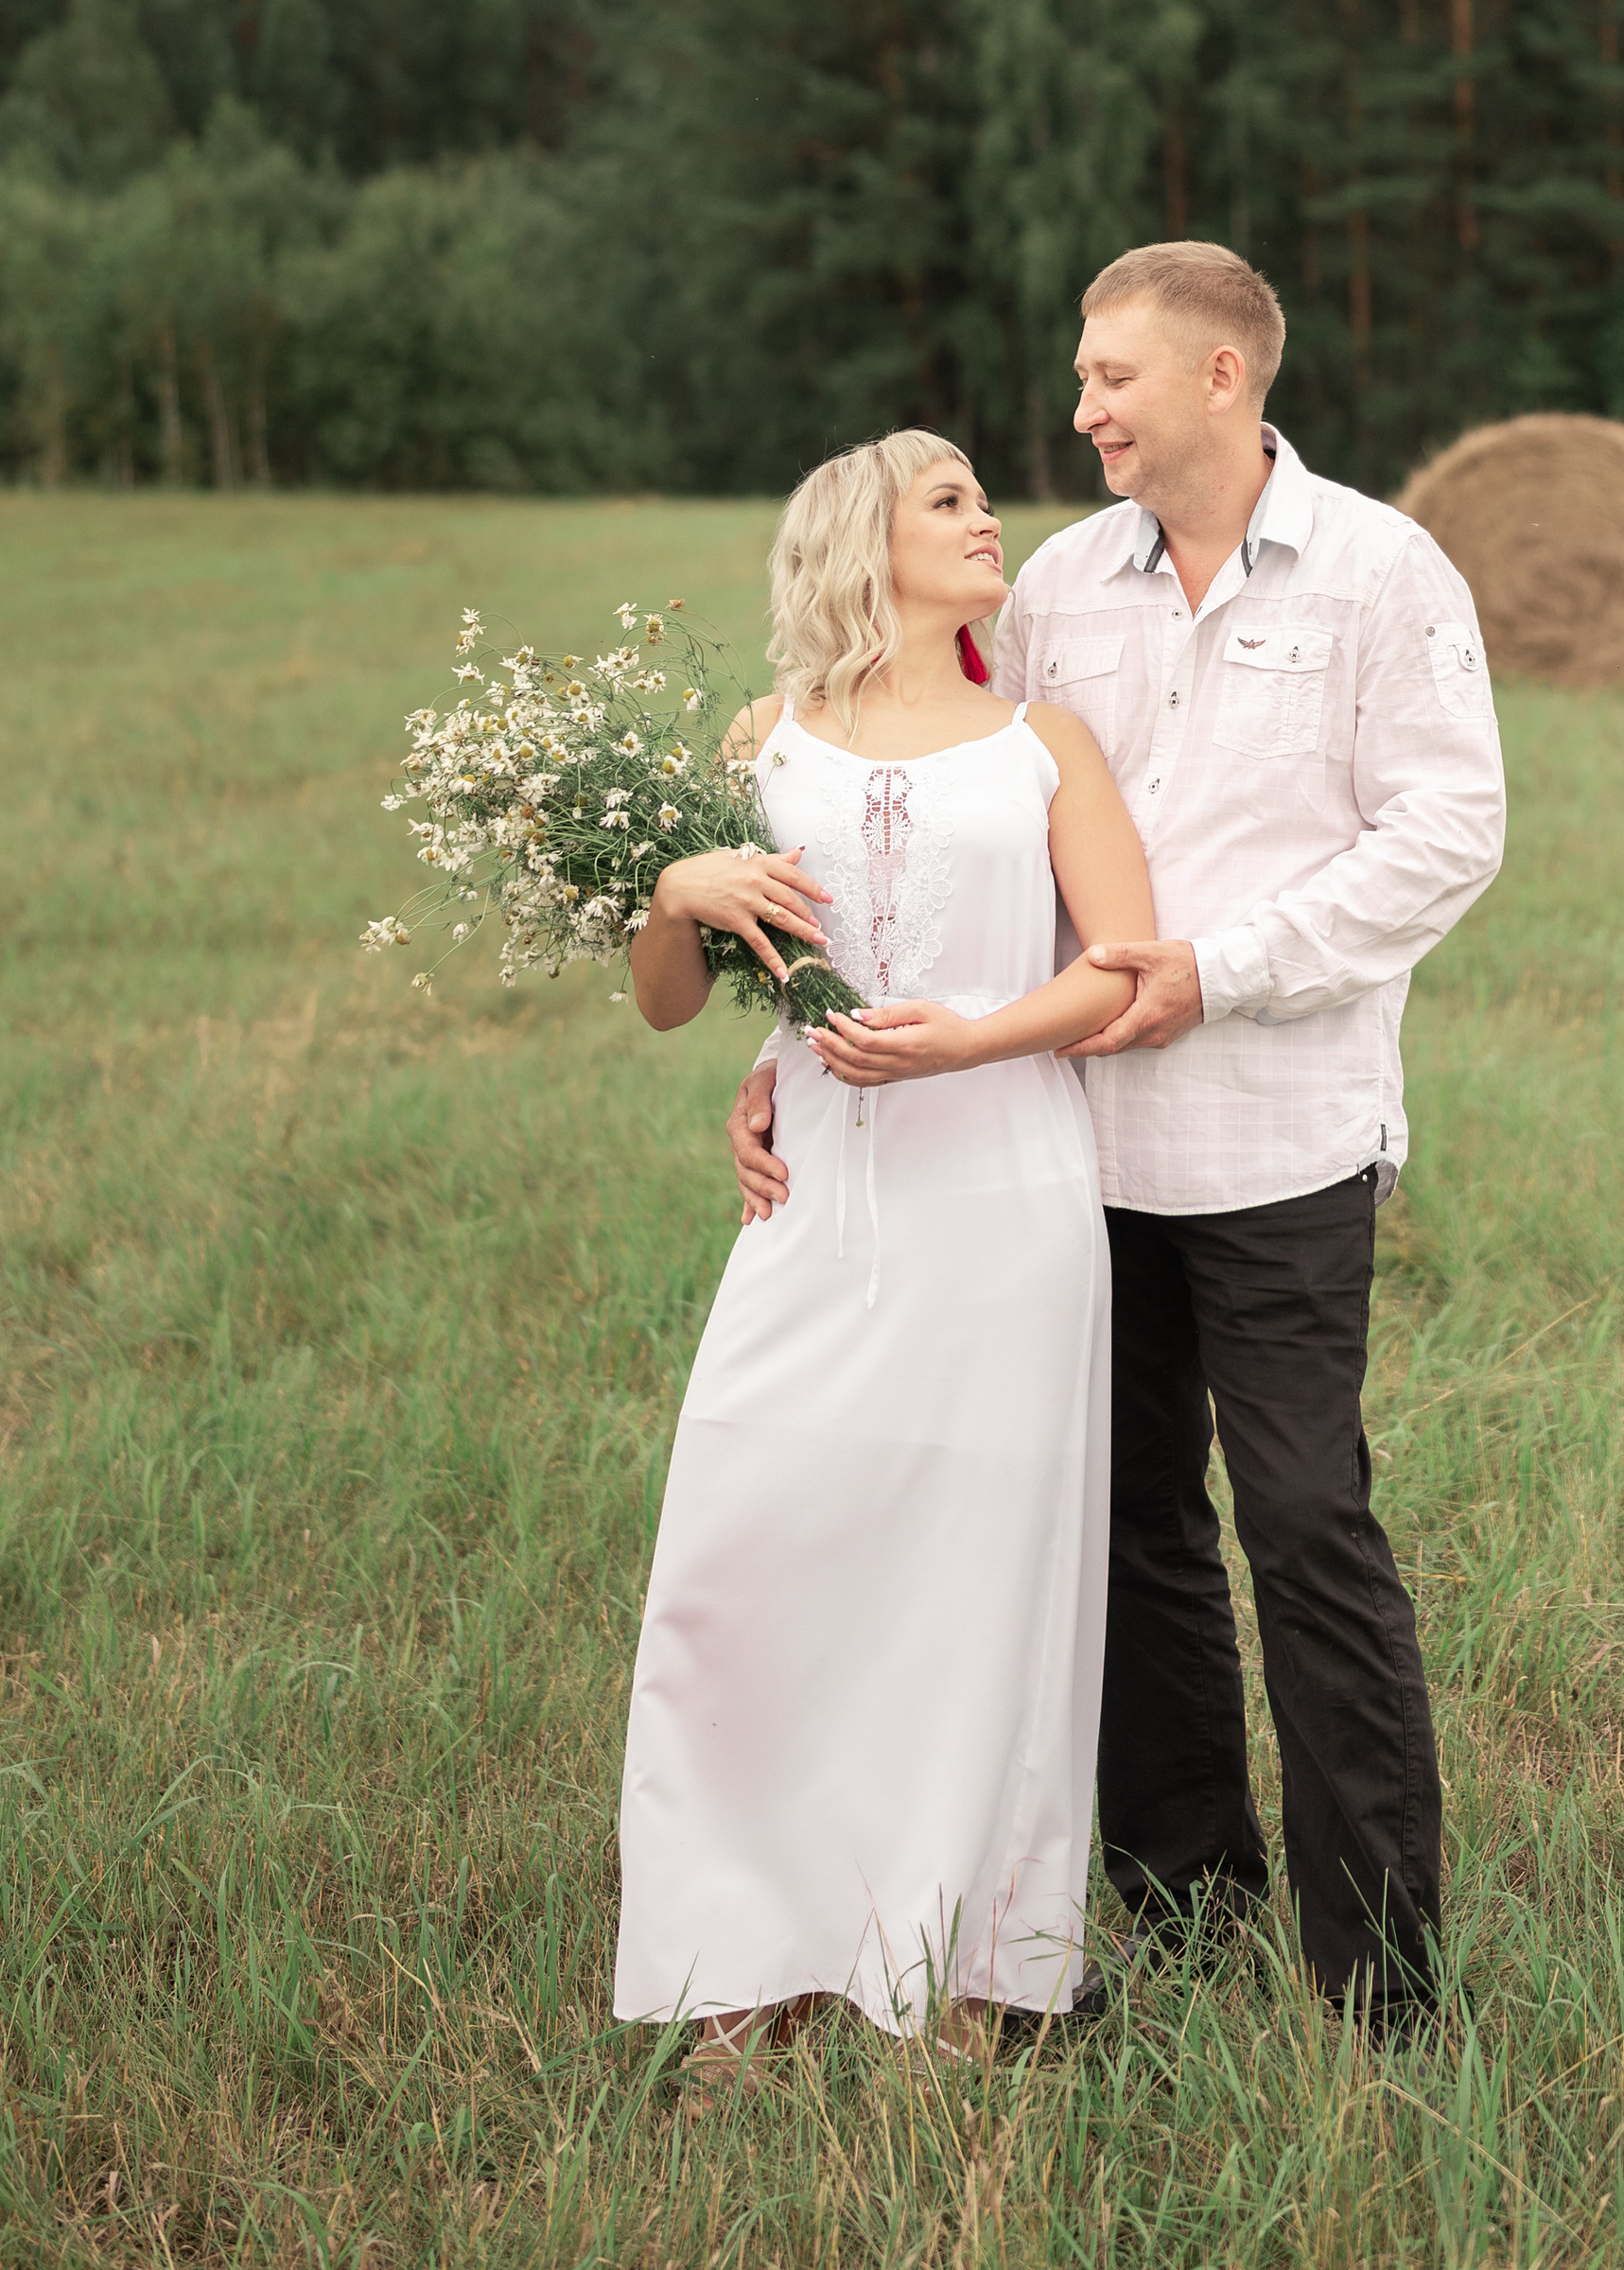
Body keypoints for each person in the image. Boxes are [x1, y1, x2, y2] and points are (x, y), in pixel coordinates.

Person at [777, 243, 1506, 2031]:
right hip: (1061, 1154)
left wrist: (1222, 972)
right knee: (1127, 1538)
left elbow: (1448, 835)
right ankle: (1184, 1909)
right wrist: (797, 1042)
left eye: (1109, 377)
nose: (1079, 408)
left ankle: (1380, 1979)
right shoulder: (1057, 597)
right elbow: (964, 828)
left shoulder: (1380, 573)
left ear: (1220, 382)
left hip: (1279, 1141)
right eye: (1082, 376)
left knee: (1308, 1525)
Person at [613, 429, 1153, 2093]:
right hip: (813, 1207)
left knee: (981, 1581)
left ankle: (972, 1974)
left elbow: (1128, 969)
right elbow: (674, 1000)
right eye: (950, 500)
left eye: (988, 497)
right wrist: (672, 882)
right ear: (865, 540)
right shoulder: (758, 743)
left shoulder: (1041, 744)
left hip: (1007, 1200)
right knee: (749, 1556)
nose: (991, 519)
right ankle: (739, 1962)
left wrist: (977, 1039)